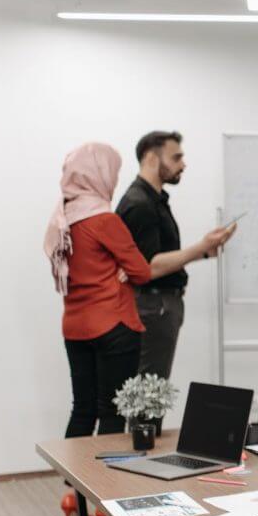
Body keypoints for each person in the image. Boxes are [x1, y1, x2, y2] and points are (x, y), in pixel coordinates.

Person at [45, 143, 153, 438]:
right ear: (100, 175)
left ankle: (74, 484)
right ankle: (103, 486)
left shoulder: (62, 221)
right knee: (112, 411)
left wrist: (120, 268)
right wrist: (124, 271)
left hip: (75, 327)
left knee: (82, 410)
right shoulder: (105, 220)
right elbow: (142, 272)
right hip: (113, 324)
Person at [115, 130, 235, 385]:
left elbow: (157, 258)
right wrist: (199, 246)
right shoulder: (140, 204)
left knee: (150, 390)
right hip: (152, 306)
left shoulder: (153, 200)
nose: (183, 164)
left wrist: (204, 251)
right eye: (176, 157)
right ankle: (147, 428)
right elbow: (148, 267)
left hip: (157, 305)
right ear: (150, 158)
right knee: (149, 392)